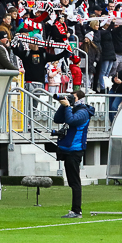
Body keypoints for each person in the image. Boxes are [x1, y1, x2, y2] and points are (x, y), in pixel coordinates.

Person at [41, 88, 94, 218]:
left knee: (74, 181)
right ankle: (75, 210)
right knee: (71, 180)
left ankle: (77, 211)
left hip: (75, 149)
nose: (70, 98)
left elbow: (71, 121)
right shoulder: (72, 109)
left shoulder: (84, 112)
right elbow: (57, 119)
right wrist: (63, 105)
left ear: (79, 99)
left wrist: (68, 107)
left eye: (73, 97)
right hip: (67, 148)